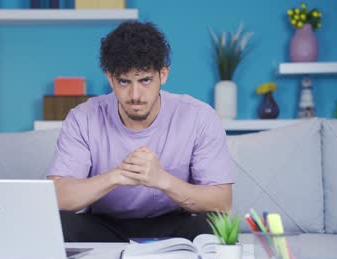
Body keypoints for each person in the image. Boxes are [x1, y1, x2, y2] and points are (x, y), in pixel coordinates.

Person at [46, 21, 233, 242]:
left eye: (145, 80)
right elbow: (56, 197)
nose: (135, 95)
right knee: (57, 224)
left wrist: (161, 180)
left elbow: (222, 202)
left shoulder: (199, 116)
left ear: (163, 75)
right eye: (124, 82)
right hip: (104, 226)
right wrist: (116, 176)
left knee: (215, 224)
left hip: (172, 225)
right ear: (110, 78)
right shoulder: (82, 117)